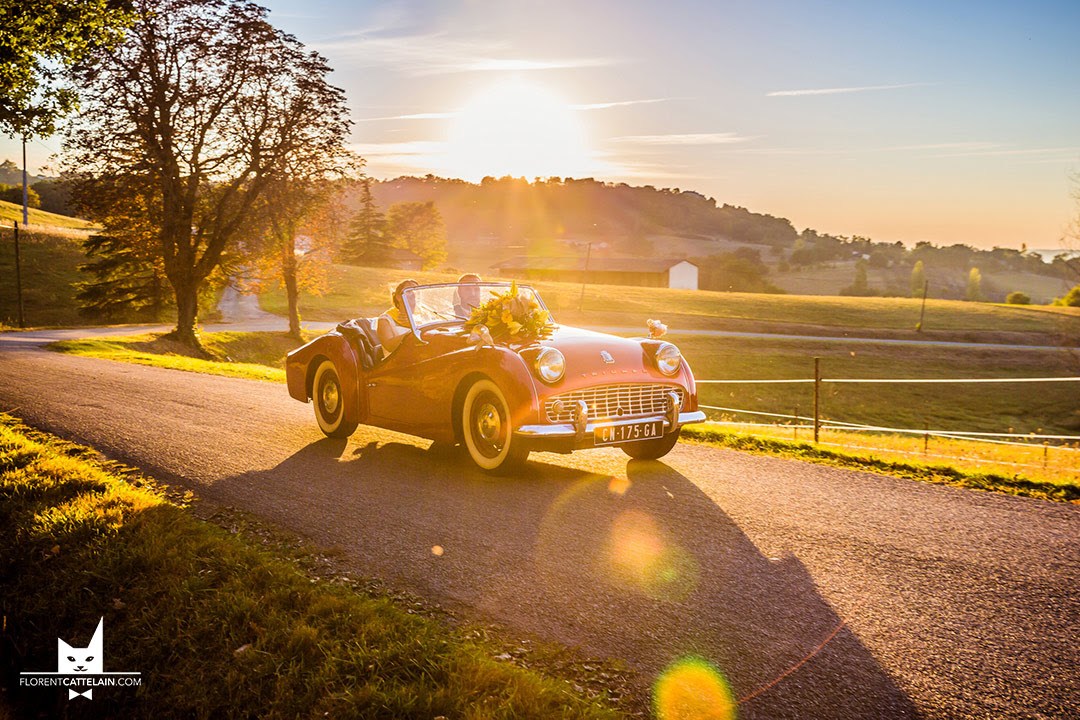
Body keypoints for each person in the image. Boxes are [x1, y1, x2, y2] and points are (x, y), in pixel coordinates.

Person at [377, 279, 418, 356]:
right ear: (398, 297)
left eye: (416, 291)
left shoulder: (421, 318)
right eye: (409, 291)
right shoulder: (385, 320)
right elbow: (389, 346)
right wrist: (413, 329)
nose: (414, 294)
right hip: (397, 363)